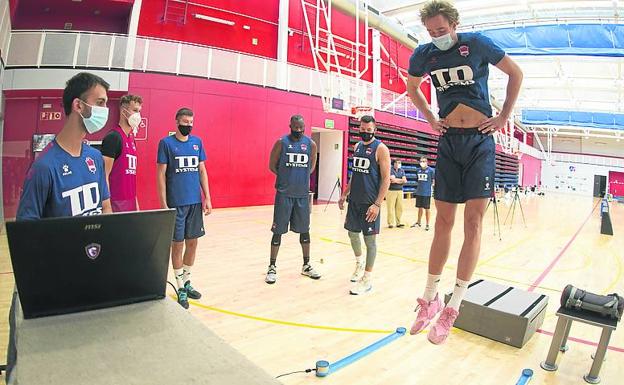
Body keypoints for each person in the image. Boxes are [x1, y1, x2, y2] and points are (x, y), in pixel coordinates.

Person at [406, 0, 523, 344]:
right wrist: (429, 117)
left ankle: (453, 305)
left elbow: (516, 73)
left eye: (441, 31)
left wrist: (502, 118)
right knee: (443, 222)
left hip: (479, 141)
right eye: (431, 32)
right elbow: (413, 87)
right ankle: (429, 299)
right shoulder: (423, 55)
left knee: (473, 222)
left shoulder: (479, 44)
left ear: (455, 25)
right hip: (448, 141)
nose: (437, 37)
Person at [7, 72, 113, 382]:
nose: (106, 110)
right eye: (101, 103)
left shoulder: (94, 158)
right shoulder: (44, 167)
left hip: (90, 278)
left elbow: (104, 209)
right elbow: (27, 235)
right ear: (79, 106)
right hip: (56, 285)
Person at [157, 108, 212, 309]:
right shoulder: (166, 144)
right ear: (176, 121)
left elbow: (202, 170)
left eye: (190, 122)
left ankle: (187, 282)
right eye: (184, 121)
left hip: (195, 203)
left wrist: (207, 197)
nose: (188, 125)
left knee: (193, 243)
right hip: (176, 204)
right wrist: (163, 203)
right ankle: (179, 286)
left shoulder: (197, 143)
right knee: (177, 245)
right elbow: (160, 175)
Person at [265, 115, 321, 284]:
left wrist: (299, 178)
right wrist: (285, 178)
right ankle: (272, 266)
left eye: (301, 128)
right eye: (295, 128)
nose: (298, 131)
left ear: (304, 127)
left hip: (302, 195)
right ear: (290, 125)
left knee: (305, 230)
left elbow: (311, 167)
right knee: (278, 231)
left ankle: (306, 265)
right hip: (284, 194)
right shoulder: (281, 142)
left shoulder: (311, 144)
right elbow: (271, 165)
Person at [338, 115, 391, 295]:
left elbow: (386, 180)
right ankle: (359, 263)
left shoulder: (381, 149)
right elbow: (355, 174)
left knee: (370, 241)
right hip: (355, 201)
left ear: (375, 130)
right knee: (352, 234)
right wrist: (345, 193)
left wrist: (377, 204)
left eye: (369, 130)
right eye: (363, 129)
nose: (365, 132)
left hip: (370, 203)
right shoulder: (358, 146)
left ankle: (367, 279)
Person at [101, 94, 142, 212]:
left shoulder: (132, 139)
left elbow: (131, 178)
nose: (137, 115)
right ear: (124, 111)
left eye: (139, 111)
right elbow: (104, 176)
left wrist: (136, 204)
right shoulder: (113, 137)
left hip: (131, 203)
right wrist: (107, 207)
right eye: (134, 110)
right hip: (116, 204)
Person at [411, 156, 435, 231]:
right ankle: (418, 222)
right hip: (419, 192)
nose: (422, 162)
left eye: (424, 161)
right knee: (419, 208)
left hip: (427, 193)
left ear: (427, 162)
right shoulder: (418, 170)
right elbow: (418, 181)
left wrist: (433, 189)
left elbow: (433, 181)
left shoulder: (431, 170)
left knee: (427, 209)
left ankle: (427, 224)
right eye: (421, 161)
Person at [387, 159, 407, 228]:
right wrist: (401, 180)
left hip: (400, 191)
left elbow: (405, 180)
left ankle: (398, 223)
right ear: (394, 163)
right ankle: (391, 223)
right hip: (391, 191)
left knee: (400, 208)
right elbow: (392, 180)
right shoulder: (390, 169)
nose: (399, 164)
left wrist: (397, 180)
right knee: (390, 207)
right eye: (398, 162)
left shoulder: (402, 170)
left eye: (400, 163)